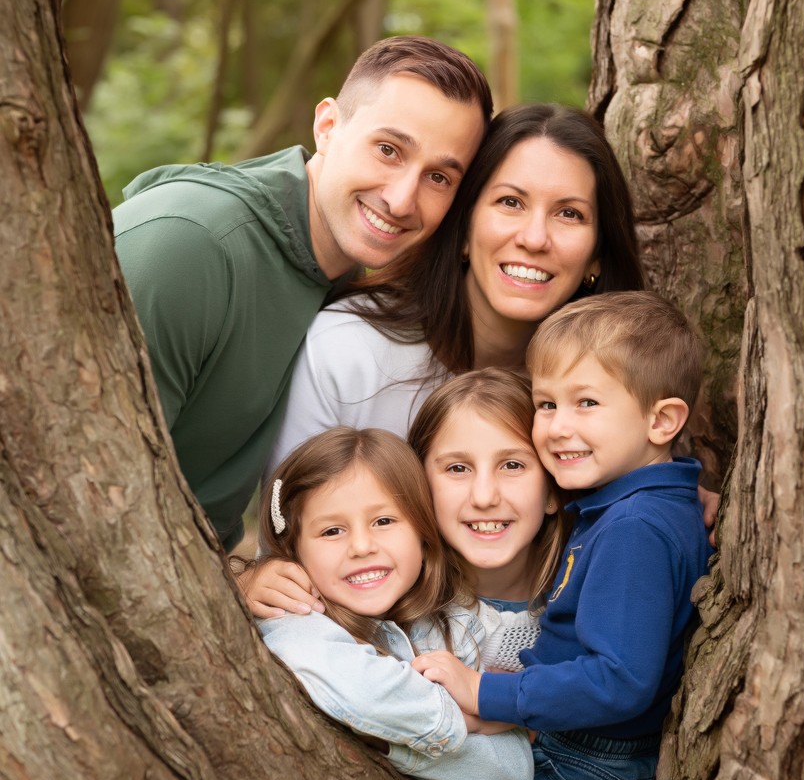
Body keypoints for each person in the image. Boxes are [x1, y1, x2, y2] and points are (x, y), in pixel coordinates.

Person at [247, 103, 644, 617]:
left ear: (596, 254)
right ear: (461, 228)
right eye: (509, 202)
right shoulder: (348, 352)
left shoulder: (613, 390)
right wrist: (257, 575)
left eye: (569, 213)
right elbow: (285, 539)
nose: (535, 238)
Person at [112, 37, 492, 549]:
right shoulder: (191, 246)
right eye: (388, 150)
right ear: (328, 126)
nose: (402, 199)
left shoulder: (350, 280)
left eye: (439, 177)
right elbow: (92, 480)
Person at [413, 292, 714, 780]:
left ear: (662, 422)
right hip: (584, 737)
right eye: (548, 404)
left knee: (414, 747)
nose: (557, 427)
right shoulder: (642, 504)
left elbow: (619, 680)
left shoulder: (634, 529)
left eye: (586, 403)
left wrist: (486, 695)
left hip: (587, 760)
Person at [244, 427, 534, 780]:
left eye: (384, 521)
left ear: (423, 534)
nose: (362, 546)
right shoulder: (294, 614)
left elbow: (513, 769)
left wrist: (387, 740)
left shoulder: (450, 624)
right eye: (332, 531)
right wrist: (470, 718)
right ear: (294, 549)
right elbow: (361, 689)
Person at [408, 369, 567, 616]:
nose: (484, 497)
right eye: (458, 468)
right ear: (421, 485)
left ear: (552, 490)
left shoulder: (592, 606)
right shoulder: (388, 613)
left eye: (512, 465)